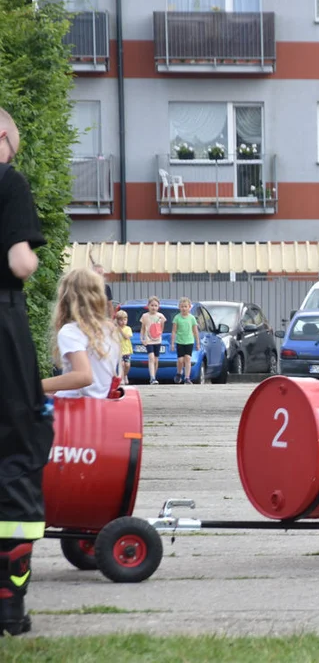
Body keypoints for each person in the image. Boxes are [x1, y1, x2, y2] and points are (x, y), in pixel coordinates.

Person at [0, 107, 52, 636]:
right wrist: (33, 259)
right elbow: (19, 263)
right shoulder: (7, 180)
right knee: (18, 445)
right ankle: (9, 606)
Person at [41, 268, 121, 399]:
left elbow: (83, 376)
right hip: (98, 406)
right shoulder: (109, 330)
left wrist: (34, 387)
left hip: (73, 409)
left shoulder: (71, 331)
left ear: (66, 298)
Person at [170, 297, 199, 384]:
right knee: (180, 360)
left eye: (185, 306)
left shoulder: (192, 318)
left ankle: (187, 377)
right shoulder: (177, 318)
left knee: (188, 358)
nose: (184, 308)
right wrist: (172, 343)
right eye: (182, 306)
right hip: (180, 341)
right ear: (179, 307)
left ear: (189, 307)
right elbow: (174, 331)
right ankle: (179, 373)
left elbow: (195, 331)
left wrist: (197, 343)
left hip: (189, 341)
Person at [139, 297, 166, 384]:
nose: (153, 307)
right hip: (148, 340)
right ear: (148, 306)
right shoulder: (145, 316)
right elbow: (143, 328)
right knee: (151, 357)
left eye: (155, 305)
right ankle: (152, 377)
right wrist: (142, 338)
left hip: (157, 340)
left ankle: (154, 376)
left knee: (156, 359)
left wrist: (159, 333)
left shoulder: (160, 316)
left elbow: (161, 327)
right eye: (152, 305)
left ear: (158, 307)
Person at [116, 309, 133, 385]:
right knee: (122, 364)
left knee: (127, 365)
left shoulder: (128, 329)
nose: (123, 322)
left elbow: (127, 337)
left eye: (125, 320)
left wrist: (120, 330)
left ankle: (125, 375)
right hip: (119, 351)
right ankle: (121, 378)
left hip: (127, 350)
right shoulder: (115, 329)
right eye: (121, 320)